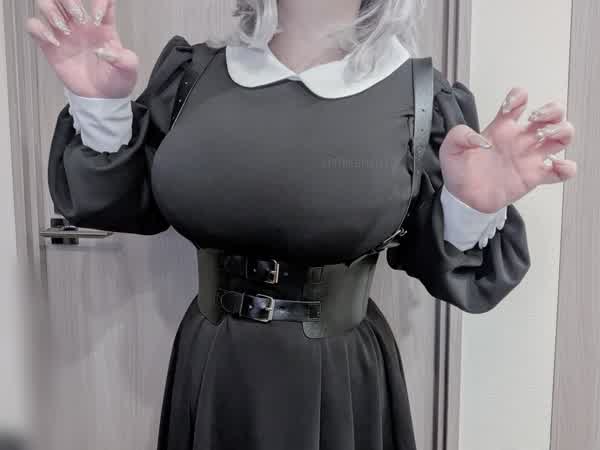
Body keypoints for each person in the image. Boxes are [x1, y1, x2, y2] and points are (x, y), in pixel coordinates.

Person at [26, 0, 576, 449]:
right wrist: (101, 106)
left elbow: (440, 261)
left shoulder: (419, 98)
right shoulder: (194, 75)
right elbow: (124, 201)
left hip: (338, 382)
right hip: (213, 368)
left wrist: (470, 204)